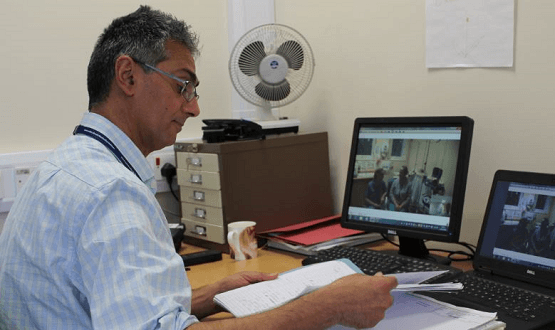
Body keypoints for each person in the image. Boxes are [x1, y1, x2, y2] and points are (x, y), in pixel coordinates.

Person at [0, 6, 397, 330]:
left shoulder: (69, 165)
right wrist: (328, 308)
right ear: (128, 76)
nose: (194, 107)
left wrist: (211, 295)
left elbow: (110, 304)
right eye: (182, 85)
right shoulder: (110, 193)